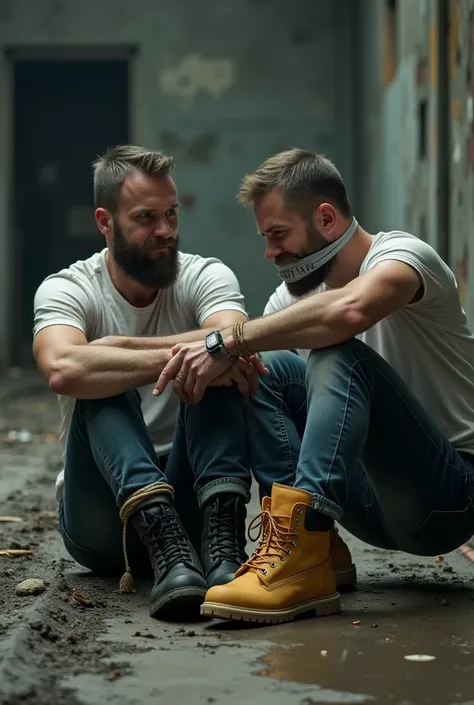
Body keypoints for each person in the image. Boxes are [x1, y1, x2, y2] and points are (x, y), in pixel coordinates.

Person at [155, 148, 474, 624]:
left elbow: (348, 314)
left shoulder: (405, 257)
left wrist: (227, 340)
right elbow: (253, 350)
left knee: (339, 352)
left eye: (278, 235)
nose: (270, 253)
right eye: (265, 238)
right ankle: (314, 548)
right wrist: (204, 351)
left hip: (444, 496)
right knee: (266, 368)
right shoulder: (292, 297)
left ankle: (301, 551)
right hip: (363, 503)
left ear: (326, 217)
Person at [32, 144, 269, 619]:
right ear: (105, 222)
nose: (165, 231)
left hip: (196, 507)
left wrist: (118, 349)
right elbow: (63, 369)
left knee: (214, 365)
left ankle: (223, 555)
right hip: (104, 527)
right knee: (101, 384)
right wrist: (199, 347)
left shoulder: (205, 274)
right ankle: (161, 534)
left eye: (171, 214)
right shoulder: (68, 287)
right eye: (146, 217)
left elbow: (236, 343)